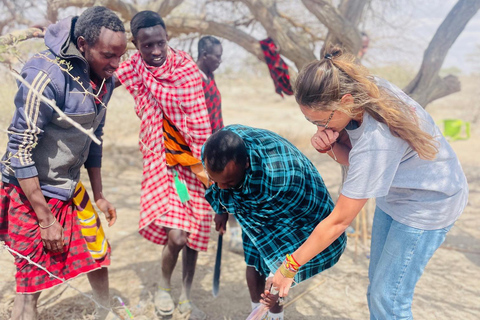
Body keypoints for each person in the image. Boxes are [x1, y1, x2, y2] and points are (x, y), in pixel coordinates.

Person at [271, 47, 469, 319]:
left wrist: (289, 267)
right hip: (397, 194)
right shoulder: (361, 87)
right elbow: (359, 162)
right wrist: (331, 146)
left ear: (346, 101)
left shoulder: (377, 141)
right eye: (310, 121)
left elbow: (339, 221)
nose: (318, 129)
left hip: (429, 202)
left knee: (388, 299)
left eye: (321, 121)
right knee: (378, 289)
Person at [0, 6, 127, 320]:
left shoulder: (104, 80)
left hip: (70, 189)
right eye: (108, 55)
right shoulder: (44, 75)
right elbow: (19, 152)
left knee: (97, 256)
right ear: (83, 45)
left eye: (120, 55)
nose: (116, 65)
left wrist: (98, 194)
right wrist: (45, 219)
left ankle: (103, 312)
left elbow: (94, 137)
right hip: (30, 194)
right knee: (30, 285)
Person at [114, 11, 211, 320]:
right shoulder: (133, 68)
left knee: (193, 236)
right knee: (178, 236)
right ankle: (164, 287)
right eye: (147, 46)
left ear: (168, 39)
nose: (155, 51)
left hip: (195, 166)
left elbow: (199, 125)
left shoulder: (186, 70)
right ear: (135, 44)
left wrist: (210, 170)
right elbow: (104, 82)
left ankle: (185, 292)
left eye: (161, 43)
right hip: (165, 166)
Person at [202, 125, 346, 320]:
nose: (221, 187)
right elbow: (217, 183)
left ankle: (275, 316)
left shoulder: (277, 179)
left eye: (228, 183)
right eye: (216, 180)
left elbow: (278, 240)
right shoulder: (213, 150)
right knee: (253, 260)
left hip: (298, 210)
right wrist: (220, 209)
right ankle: (258, 314)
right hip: (255, 195)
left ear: (246, 163)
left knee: (274, 271)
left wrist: (276, 276)